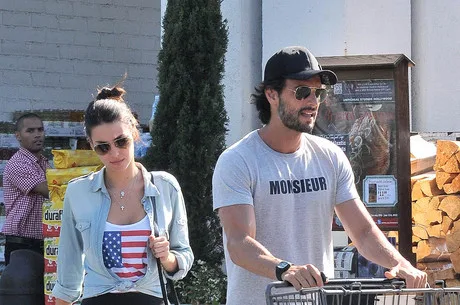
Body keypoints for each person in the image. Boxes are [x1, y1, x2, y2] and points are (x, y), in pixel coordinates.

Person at [212, 46, 427, 304]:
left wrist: (402, 264)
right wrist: (284, 269)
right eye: (302, 92)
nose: (312, 102)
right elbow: (238, 243)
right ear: (271, 94)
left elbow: (362, 232)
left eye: (318, 93)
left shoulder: (329, 157)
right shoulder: (238, 160)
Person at [52, 85, 194, 305]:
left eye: (121, 142)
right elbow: (68, 266)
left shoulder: (165, 187)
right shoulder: (78, 192)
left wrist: (166, 258)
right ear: (91, 145)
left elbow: (183, 255)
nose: (115, 153)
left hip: (152, 298)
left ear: (134, 133)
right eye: (103, 147)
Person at [2, 113, 50, 265]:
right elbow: (48, 190)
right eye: (30, 131)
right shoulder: (18, 163)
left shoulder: (43, 162)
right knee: (25, 288)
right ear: (18, 136)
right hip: (22, 244)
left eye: (40, 130)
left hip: (42, 241)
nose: (37, 135)